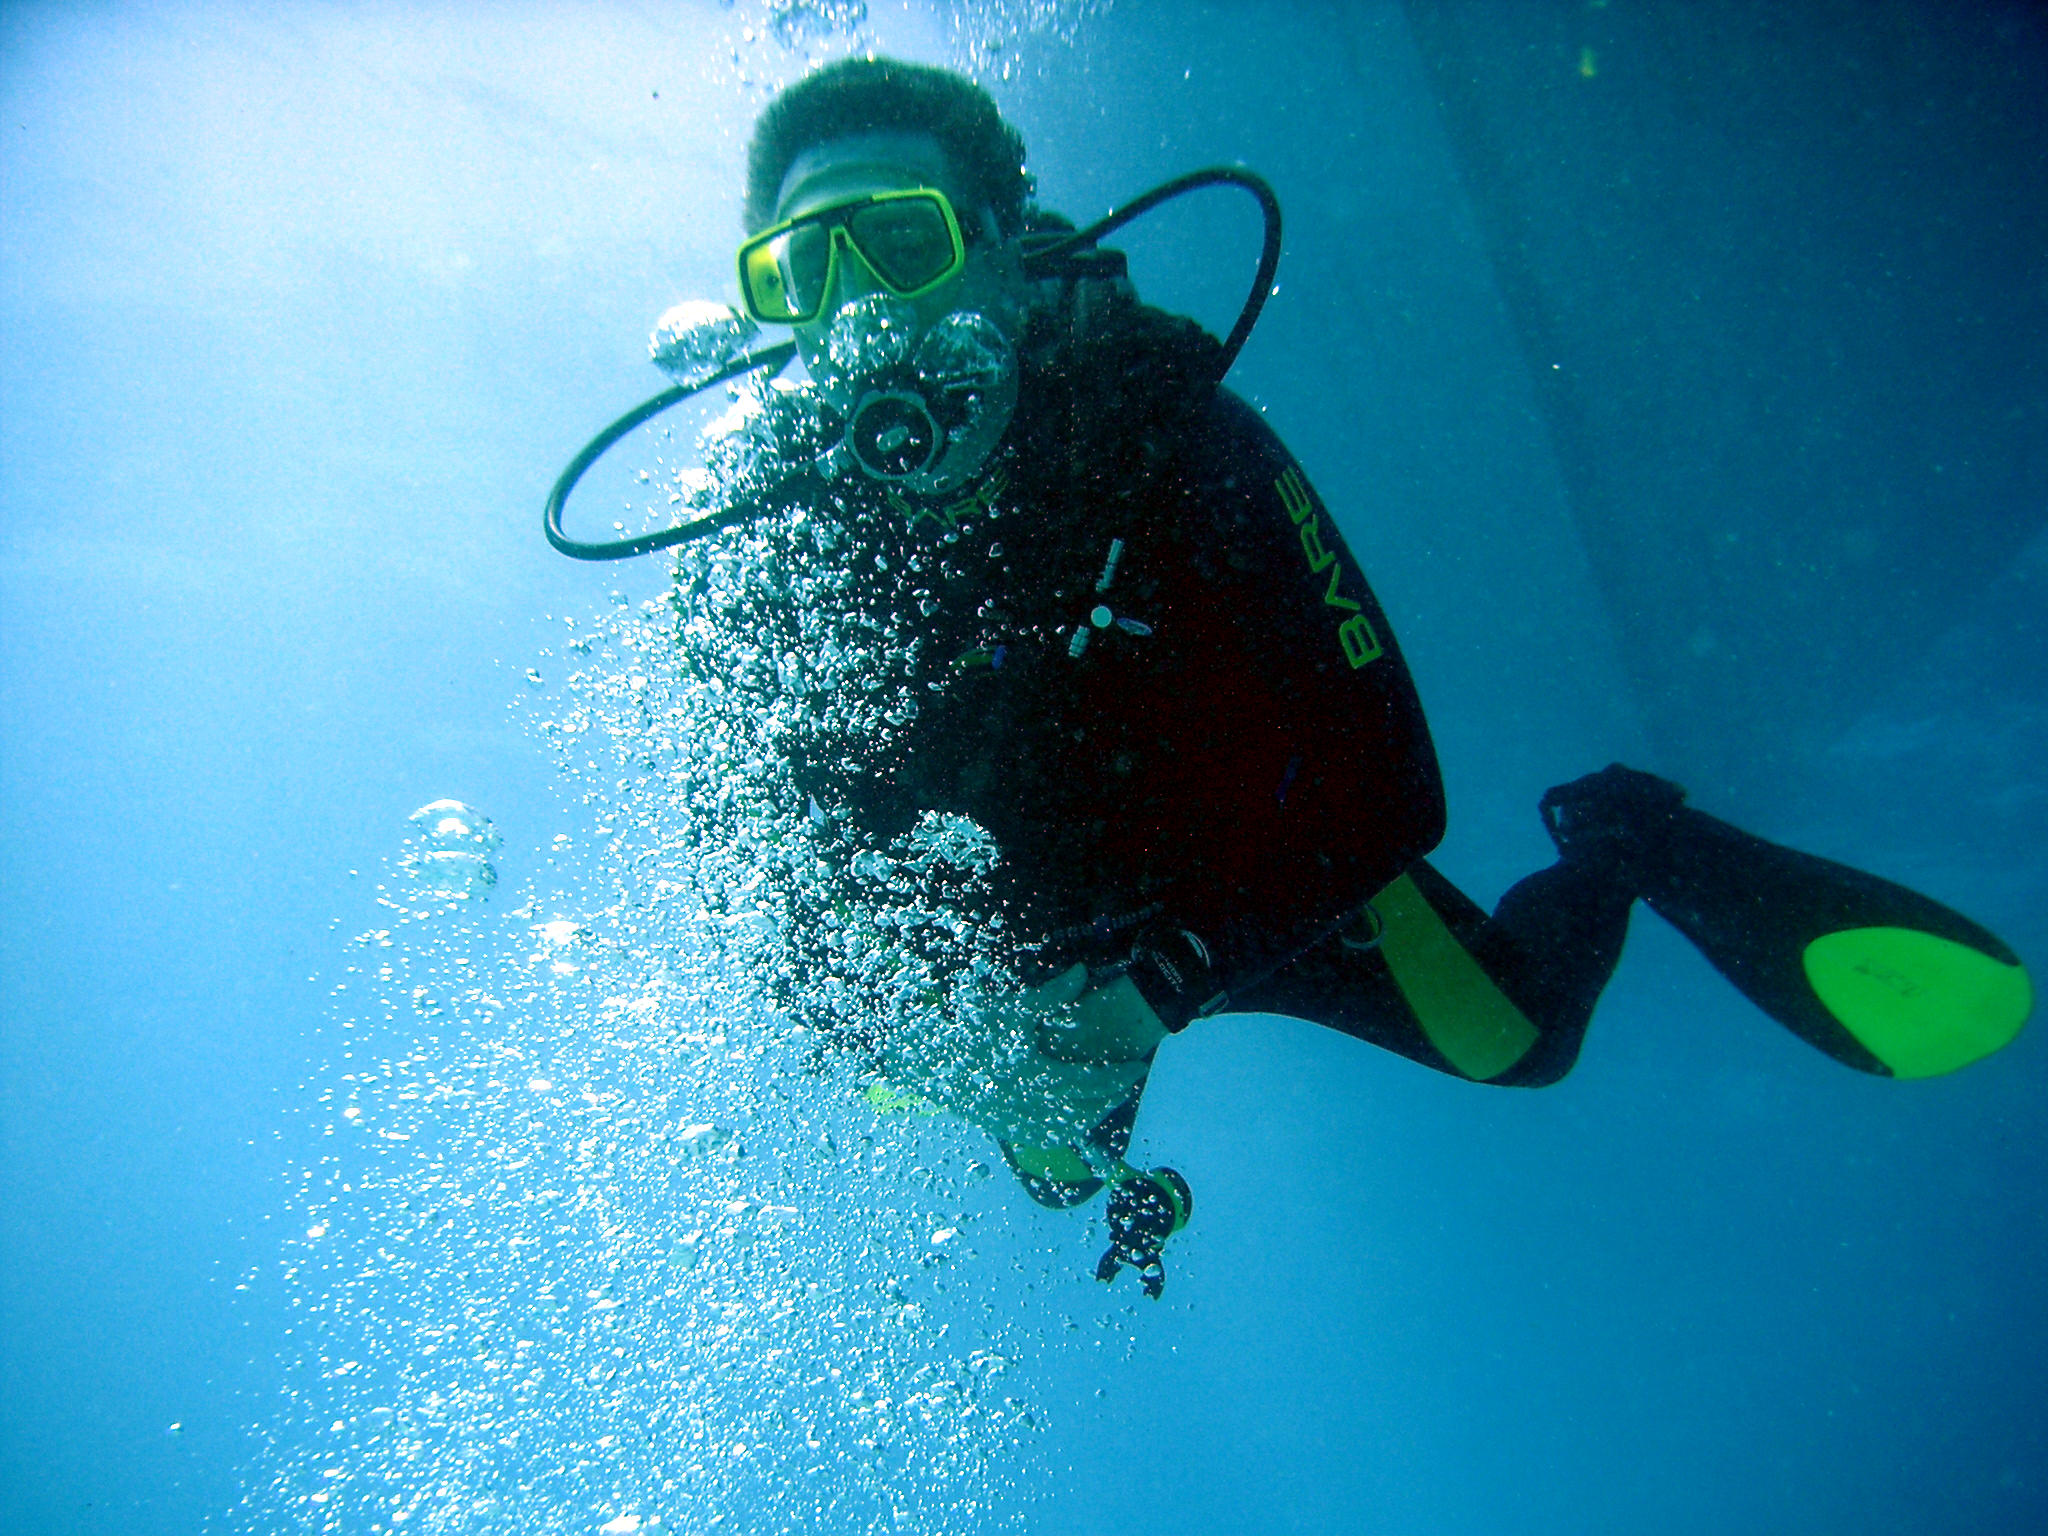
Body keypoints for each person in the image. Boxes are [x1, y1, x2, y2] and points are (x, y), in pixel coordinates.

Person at [557, 58, 2033, 1298]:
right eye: (803, 268)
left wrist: (1160, 988)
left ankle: (1627, 839)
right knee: (1058, 1173)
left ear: (1005, 247)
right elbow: (757, 901)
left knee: (1522, 1041)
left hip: (1262, 869)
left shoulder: (1168, 430)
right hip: (1034, 947)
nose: (860, 307)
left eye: (903, 240)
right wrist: (949, 1049)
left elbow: (1391, 778)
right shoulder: (764, 555)